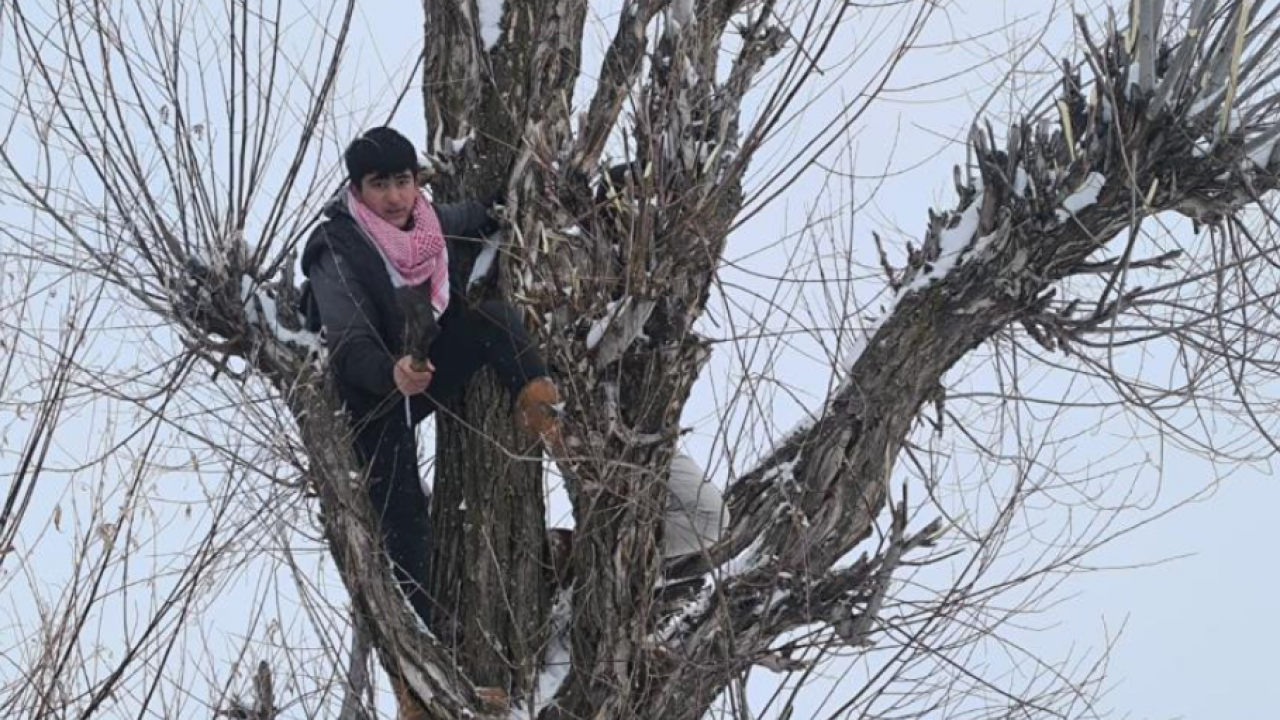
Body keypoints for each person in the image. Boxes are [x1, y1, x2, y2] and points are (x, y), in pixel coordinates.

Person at [300, 126, 557, 715]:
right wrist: (390, 373)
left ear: (417, 182)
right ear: (357, 190)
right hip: (366, 395)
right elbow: (349, 344)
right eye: (379, 185)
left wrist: (515, 198)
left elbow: (476, 214)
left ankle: (550, 418)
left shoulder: (426, 222)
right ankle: (423, 683)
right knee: (405, 526)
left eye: (403, 181)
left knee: (494, 321)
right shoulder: (337, 248)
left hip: (418, 370)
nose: (394, 197)